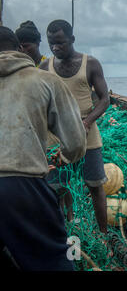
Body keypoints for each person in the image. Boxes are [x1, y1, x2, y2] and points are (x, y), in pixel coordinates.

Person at [0, 26, 86, 270]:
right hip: (22, 186)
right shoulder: (45, 81)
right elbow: (76, 142)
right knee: (54, 258)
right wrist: (65, 156)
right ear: (19, 49)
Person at [40, 19, 110, 235]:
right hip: (56, 139)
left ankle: (104, 236)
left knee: (95, 185)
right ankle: (65, 230)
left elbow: (104, 99)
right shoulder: (44, 68)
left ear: (72, 39)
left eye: (60, 42)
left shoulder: (91, 64)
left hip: (87, 136)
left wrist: (87, 122)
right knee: (56, 189)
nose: (55, 47)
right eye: (51, 43)